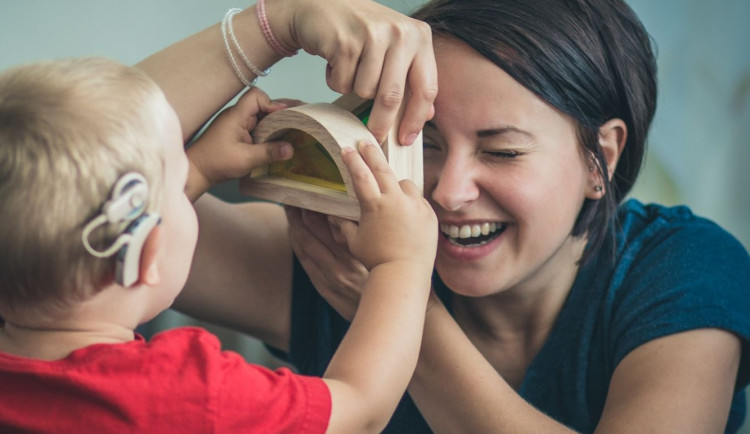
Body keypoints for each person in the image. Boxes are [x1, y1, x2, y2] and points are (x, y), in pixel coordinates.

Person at [132, 0, 750, 432]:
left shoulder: (687, 271)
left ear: (602, 159)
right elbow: (57, 189)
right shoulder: (331, 252)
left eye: (502, 151)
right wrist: (273, 24)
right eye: (423, 143)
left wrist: (393, 300)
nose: (449, 192)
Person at [0, 55, 438, 433]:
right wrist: (401, 261)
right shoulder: (189, 395)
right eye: (181, 185)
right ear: (146, 253)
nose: (192, 183)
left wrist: (203, 169)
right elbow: (359, 411)